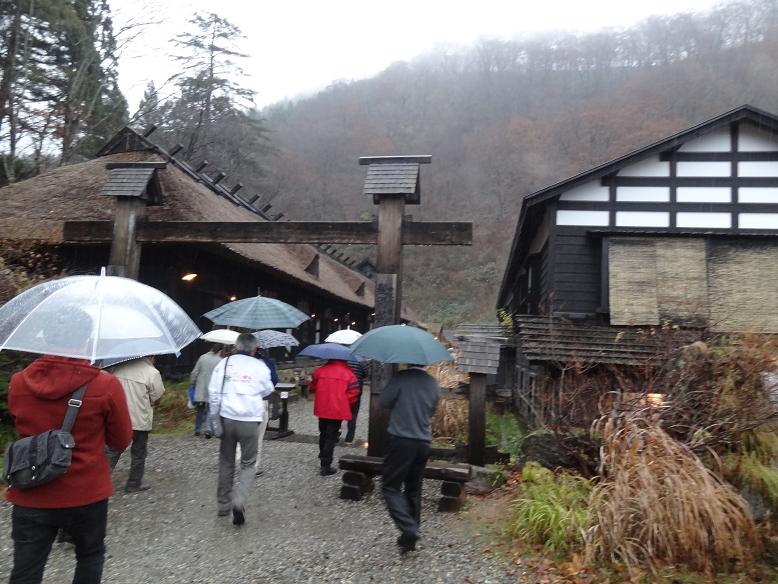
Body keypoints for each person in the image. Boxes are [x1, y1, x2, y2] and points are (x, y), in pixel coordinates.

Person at [5, 311, 133, 584]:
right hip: (86, 493)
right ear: (86, 339)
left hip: (31, 489)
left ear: (46, 337)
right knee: (89, 556)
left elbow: (23, 426)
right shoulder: (106, 385)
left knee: (26, 570)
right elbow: (121, 440)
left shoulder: (19, 382)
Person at [209, 333, 274, 526]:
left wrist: (215, 420)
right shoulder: (260, 366)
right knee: (248, 463)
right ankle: (239, 501)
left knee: (226, 462)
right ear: (254, 349)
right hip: (250, 421)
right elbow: (268, 390)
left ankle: (223, 505)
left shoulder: (225, 364)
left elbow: (214, 393)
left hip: (228, 418)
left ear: (236, 346)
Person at [380, 364, 441, 554]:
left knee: (390, 487)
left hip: (401, 440)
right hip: (423, 442)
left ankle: (409, 528)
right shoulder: (432, 383)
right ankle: (409, 540)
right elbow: (432, 410)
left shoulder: (401, 377)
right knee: (413, 489)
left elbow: (384, 402)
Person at [105, 356, 165, 493]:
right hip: (140, 419)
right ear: (150, 356)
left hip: (118, 418)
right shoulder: (151, 372)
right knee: (139, 452)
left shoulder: (118, 368)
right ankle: (133, 483)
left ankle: (101, 480)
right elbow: (157, 395)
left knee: (113, 450)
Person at [307, 359, 359, 476]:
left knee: (323, 433)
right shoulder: (349, 373)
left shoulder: (320, 371)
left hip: (322, 407)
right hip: (337, 409)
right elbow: (354, 392)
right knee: (331, 436)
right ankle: (326, 465)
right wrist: (346, 402)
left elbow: (312, 385)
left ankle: (323, 456)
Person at [252, 346, 278, 475]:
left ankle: (238, 456)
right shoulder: (267, 362)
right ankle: (254, 466)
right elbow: (274, 380)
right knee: (259, 435)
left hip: (245, 401)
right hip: (262, 400)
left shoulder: (243, 361)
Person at [190, 344, 224, 437]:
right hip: (213, 389)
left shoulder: (202, 358)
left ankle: (197, 429)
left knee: (200, 410)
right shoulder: (220, 361)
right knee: (210, 409)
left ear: (211, 349)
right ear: (220, 351)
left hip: (201, 388)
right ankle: (208, 429)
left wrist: (193, 383)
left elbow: (195, 372)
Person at [344, 355, 368, 444]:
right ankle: (349, 438)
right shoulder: (361, 361)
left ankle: (336, 434)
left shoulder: (345, 359)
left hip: (344, 389)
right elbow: (366, 374)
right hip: (357, 390)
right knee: (353, 415)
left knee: (339, 412)